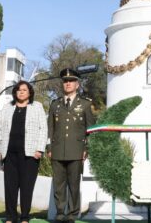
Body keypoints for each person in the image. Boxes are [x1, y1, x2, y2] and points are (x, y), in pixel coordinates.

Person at [0, 81, 48, 223]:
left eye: (24, 90)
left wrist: (40, 149)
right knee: (10, 188)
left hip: (30, 155)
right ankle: (10, 217)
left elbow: (44, 129)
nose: (21, 92)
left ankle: (24, 217)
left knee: (26, 187)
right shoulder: (7, 107)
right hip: (9, 154)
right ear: (15, 93)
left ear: (29, 92)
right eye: (18, 90)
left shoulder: (37, 107)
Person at [48, 68, 96, 222]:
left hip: (76, 150)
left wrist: (86, 149)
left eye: (71, 81)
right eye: (65, 81)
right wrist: (49, 147)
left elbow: (91, 130)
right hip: (57, 150)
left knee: (74, 185)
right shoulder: (55, 104)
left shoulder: (85, 104)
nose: (68, 84)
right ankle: (60, 212)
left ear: (77, 84)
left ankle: (73, 213)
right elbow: (50, 128)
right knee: (59, 184)